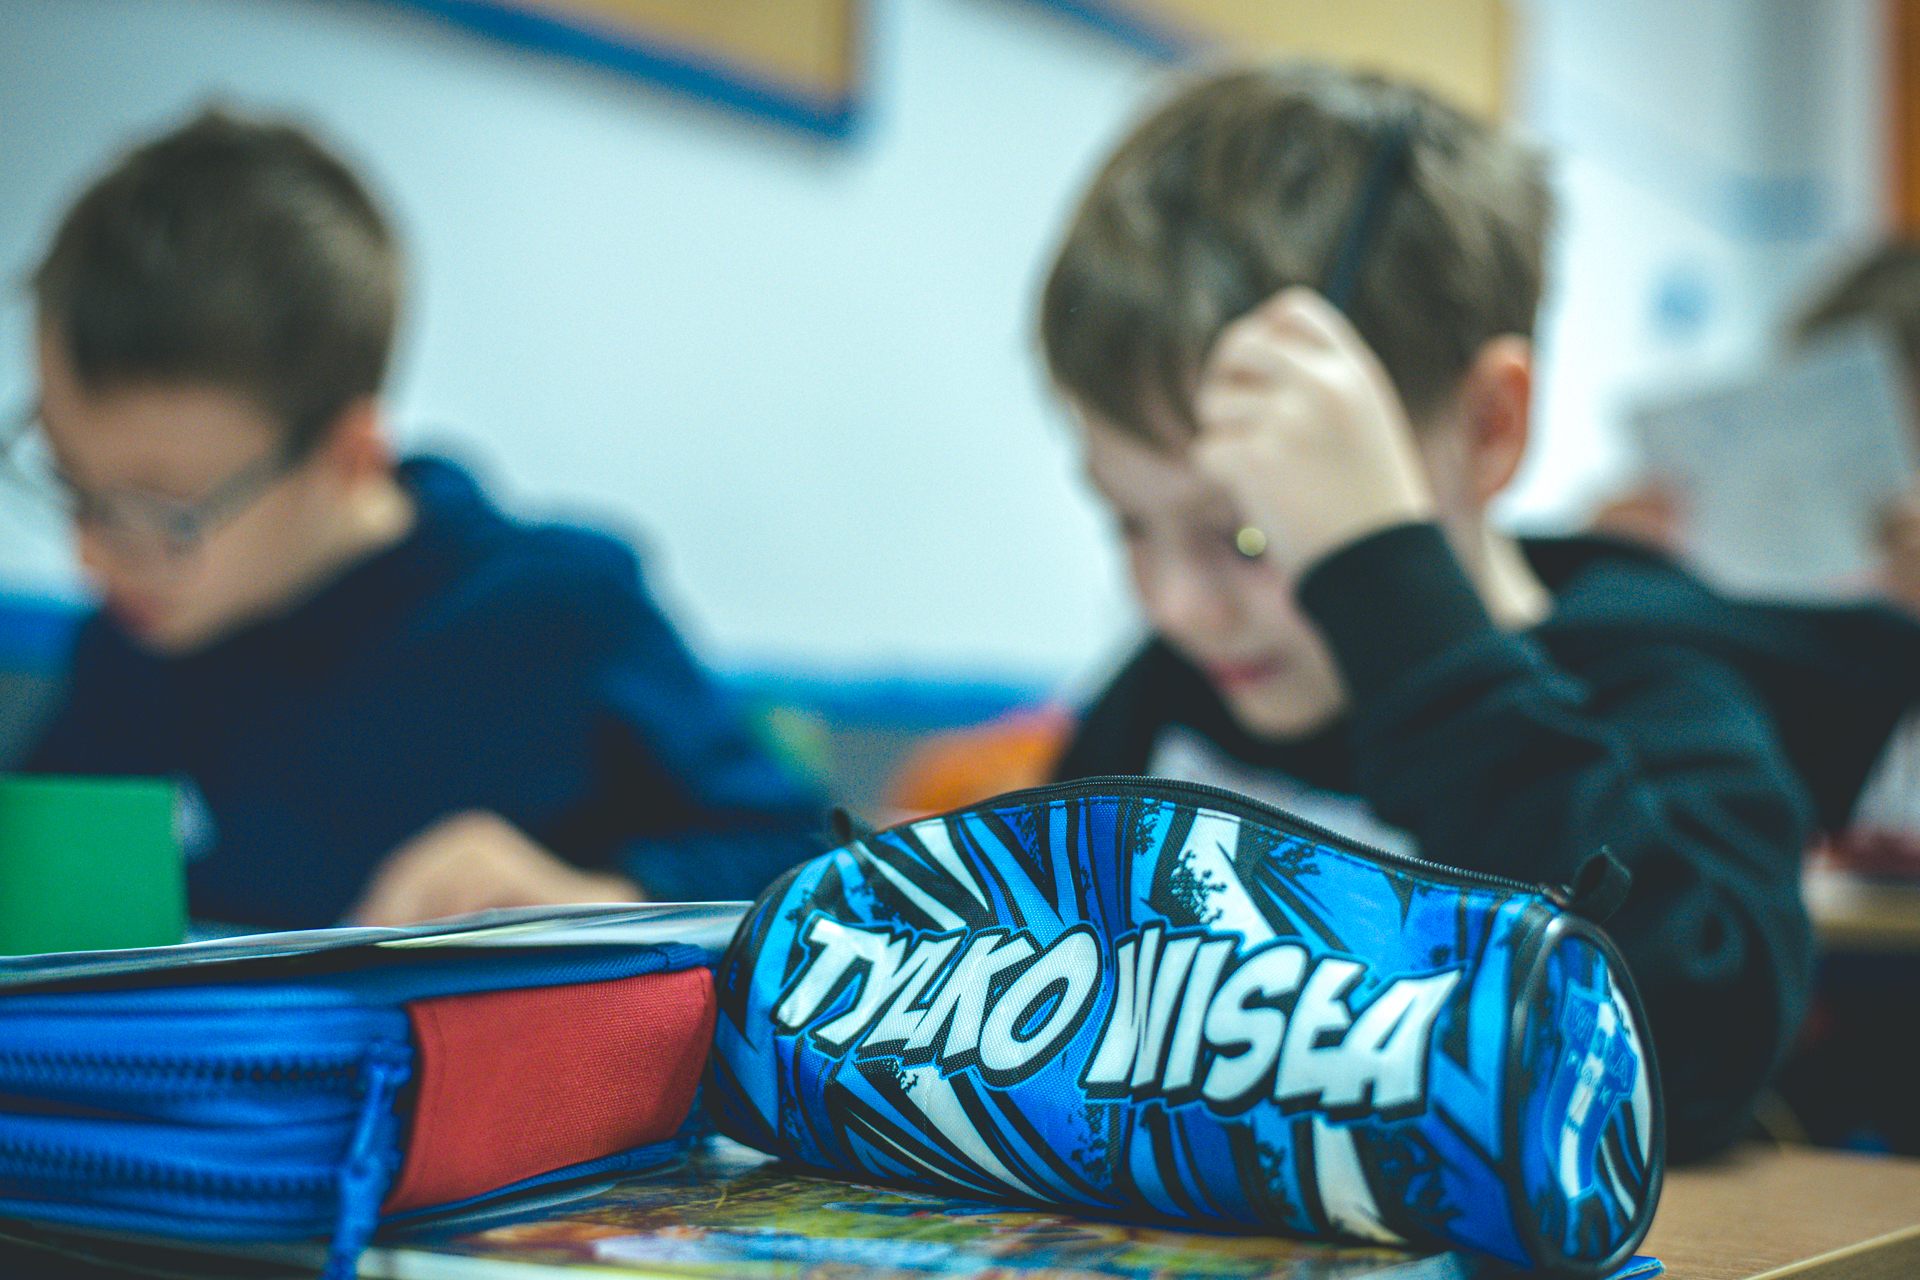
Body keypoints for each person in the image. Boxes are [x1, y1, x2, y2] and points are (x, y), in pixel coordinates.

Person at [1031, 62, 1915, 1162]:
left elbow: (1690, 1062)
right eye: (1128, 523)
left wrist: (1390, 602)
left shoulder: (1656, 690)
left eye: (1250, 534)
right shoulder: (1166, 694)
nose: (1176, 606)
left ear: (1490, 429)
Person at [8, 108, 824, 929]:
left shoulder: (562, 613)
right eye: (69, 480)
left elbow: (803, 856)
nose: (92, 557)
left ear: (349, 456)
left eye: (161, 514)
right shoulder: (131, 643)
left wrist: (591, 898)